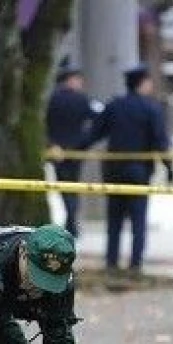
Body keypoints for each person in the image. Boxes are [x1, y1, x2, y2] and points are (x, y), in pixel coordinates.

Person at [78, 64, 173, 273]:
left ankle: (111, 262)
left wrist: (72, 150)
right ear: (143, 83)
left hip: (114, 170)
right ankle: (135, 264)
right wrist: (169, 168)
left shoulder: (114, 106)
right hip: (139, 171)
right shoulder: (151, 108)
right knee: (138, 220)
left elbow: (95, 134)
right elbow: (160, 141)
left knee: (115, 218)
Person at [46, 62, 100, 238]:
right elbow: (97, 121)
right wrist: (84, 143)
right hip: (76, 151)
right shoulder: (82, 100)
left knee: (64, 188)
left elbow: (44, 125)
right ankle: (71, 224)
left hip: (57, 151)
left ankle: (70, 223)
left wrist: (51, 145)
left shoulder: (51, 99)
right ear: (70, 80)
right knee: (73, 187)